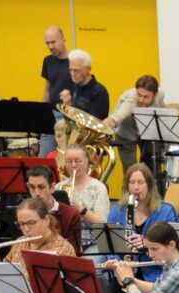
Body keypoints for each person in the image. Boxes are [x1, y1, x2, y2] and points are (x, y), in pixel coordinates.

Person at [107, 163, 179, 281]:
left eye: (141, 182)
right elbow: (110, 245)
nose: (136, 187)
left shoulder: (166, 211)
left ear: (149, 185)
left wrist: (147, 242)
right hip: (124, 272)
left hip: (158, 274)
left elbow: (174, 246)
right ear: (127, 186)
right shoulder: (117, 210)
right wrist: (116, 263)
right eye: (132, 182)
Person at [104, 75, 165, 172]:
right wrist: (94, 131)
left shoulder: (160, 94)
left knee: (151, 169)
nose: (141, 100)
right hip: (126, 134)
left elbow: (161, 105)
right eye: (139, 94)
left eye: (146, 96)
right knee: (131, 171)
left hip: (146, 132)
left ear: (155, 95)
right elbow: (113, 120)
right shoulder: (130, 101)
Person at [56, 144, 110, 235]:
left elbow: (101, 223)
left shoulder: (98, 188)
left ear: (86, 161)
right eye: (69, 161)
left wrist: (80, 209)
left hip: (90, 238)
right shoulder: (58, 187)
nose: (73, 165)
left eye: (78, 161)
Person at [26, 165, 82, 253]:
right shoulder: (23, 214)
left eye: (41, 187)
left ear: (52, 188)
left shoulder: (71, 214)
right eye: (32, 187)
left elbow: (74, 251)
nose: (36, 193)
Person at [39, 26, 71, 157]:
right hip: (51, 114)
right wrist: (42, 113)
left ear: (63, 40)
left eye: (53, 42)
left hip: (67, 117)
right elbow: (47, 89)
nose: (50, 46)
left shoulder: (75, 61)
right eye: (47, 43)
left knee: (65, 158)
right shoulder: (48, 61)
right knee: (44, 158)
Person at [59, 49, 109, 119]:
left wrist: (68, 107)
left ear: (88, 70)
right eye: (70, 70)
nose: (72, 74)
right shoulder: (76, 85)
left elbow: (93, 123)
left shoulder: (99, 92)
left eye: (76, 70)